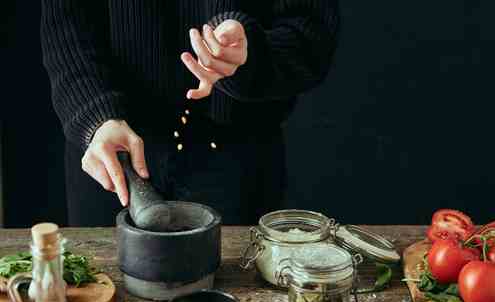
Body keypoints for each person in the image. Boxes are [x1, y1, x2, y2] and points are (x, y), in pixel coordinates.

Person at [41, 1, 340, 226]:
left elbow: (311, 34)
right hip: (113, 149)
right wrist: (96, 116)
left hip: (239, 156)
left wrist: (250, 53)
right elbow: (66, 29)